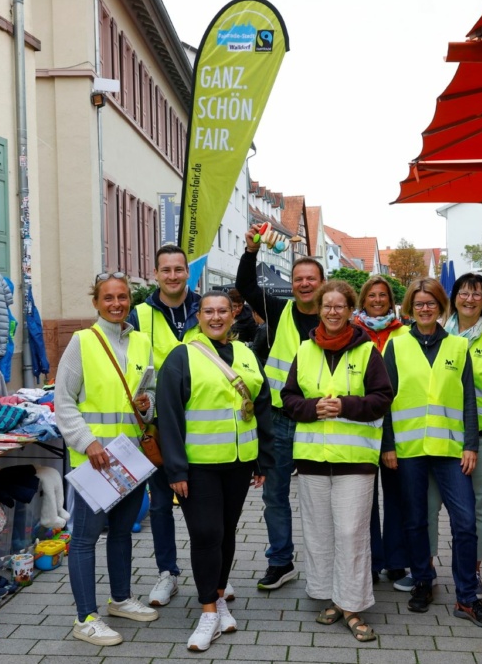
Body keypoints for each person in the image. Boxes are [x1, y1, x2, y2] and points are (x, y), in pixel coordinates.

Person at [155, 291, 274, 651]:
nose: (217, 317)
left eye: (223, 310)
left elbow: (261, 405)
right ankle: (208, 611)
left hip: (238, 463)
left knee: (225, 533)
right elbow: (169, 417)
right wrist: (175, 469)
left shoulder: (246, 353)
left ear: (234, 313)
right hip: (198, 466)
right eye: (209, 311)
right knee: (206, 534)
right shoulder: (182, 356)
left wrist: (262, 459)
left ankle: (219, 595)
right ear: (199, 315)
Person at [281, 280, 394, 642]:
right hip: (312, 461)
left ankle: (353, 606)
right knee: (320, 535)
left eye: (339, 306)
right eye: (326, 306)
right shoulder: (305, 350)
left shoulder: (366, 351)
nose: (332, 312)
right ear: (319, 310)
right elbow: (288, 397)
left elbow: (382, 397)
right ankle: (330, 597)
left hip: (355, 462)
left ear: (350, 311)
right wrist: (312, 408)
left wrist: (345, 405)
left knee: (351, 533)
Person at [382, 278, 482, 628]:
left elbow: (468, 401)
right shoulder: (396, 345)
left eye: (431, 302)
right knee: (415, 520)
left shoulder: (459, 347)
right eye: (419, 304)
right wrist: (387, 444)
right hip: (409, 449)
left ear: (440, 306)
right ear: (410, 308)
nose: (425, 308)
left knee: (464, 523)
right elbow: (385, 398)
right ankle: (422, 581)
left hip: (450, 451)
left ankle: (466, 597)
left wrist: (471, 445)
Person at [55, 272, 159, 647]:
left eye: (123, 297)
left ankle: (120, 599)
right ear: (96, 302)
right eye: (108, 298)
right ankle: (85, 618)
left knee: (121, 532)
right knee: (83, 539)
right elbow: (62, 401)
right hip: (94, 460)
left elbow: (149, 393)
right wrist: (87, 442)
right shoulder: (82, 342)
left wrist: (148, 405)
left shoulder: (142, 341)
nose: (117, 304)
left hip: (130, 457)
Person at [237, 224, 325, 590]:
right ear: (293, 283)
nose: (304, 284)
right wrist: (251, 251)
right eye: (299, 278)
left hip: (321, 421)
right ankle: (281, 561)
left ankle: (327, 562)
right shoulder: (277, 310)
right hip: (280, 420)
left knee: (321, 496)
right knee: (275, 495)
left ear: (322, 282)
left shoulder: (334, 314)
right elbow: (245, 287)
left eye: (311, 278)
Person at [426, 273, 482, 601]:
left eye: (477, 294)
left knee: (478, 507)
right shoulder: (436, 333)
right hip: (443, 436)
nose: (469, 299)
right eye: (464, 293)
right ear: (453, 297)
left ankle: (472, 571)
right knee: (430, 504)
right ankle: (427, 567)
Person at [127, 244, 202, 607]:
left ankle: (212, 574)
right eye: (165, 270)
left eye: (178, 269)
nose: (172, 276)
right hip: (157, 427)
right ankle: (166, 573)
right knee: (159, 505)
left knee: (204, 504)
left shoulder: (205, 309)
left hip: (203, 424)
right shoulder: (140, 314)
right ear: (156, 274)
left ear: (188, 272)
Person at [351, 275, 410, 587]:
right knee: (365, 497)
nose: (377, 300)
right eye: (371, 296)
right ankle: (372, 559)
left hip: (397, 424)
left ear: (391, 301)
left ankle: (397, 560)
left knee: (397, 495)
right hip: (361, 423)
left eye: (382, 296)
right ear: (364, 300)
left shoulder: (404, 333)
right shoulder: (353, 333)